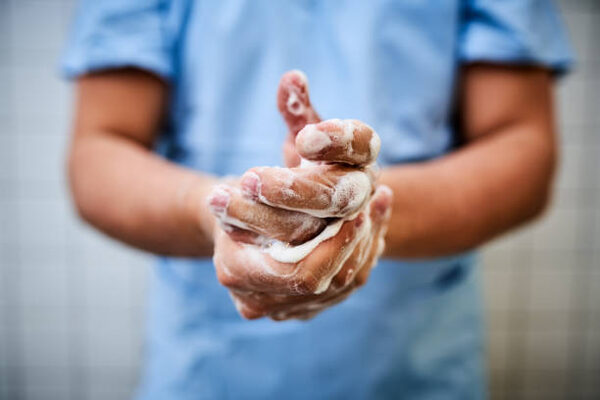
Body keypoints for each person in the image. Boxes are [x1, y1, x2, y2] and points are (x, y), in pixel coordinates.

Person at [61, 0, 572, 398]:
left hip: (413, 369)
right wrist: (214, 209)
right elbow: (99, 150)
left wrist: (370, 213)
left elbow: (522, 146)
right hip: (207, 372)